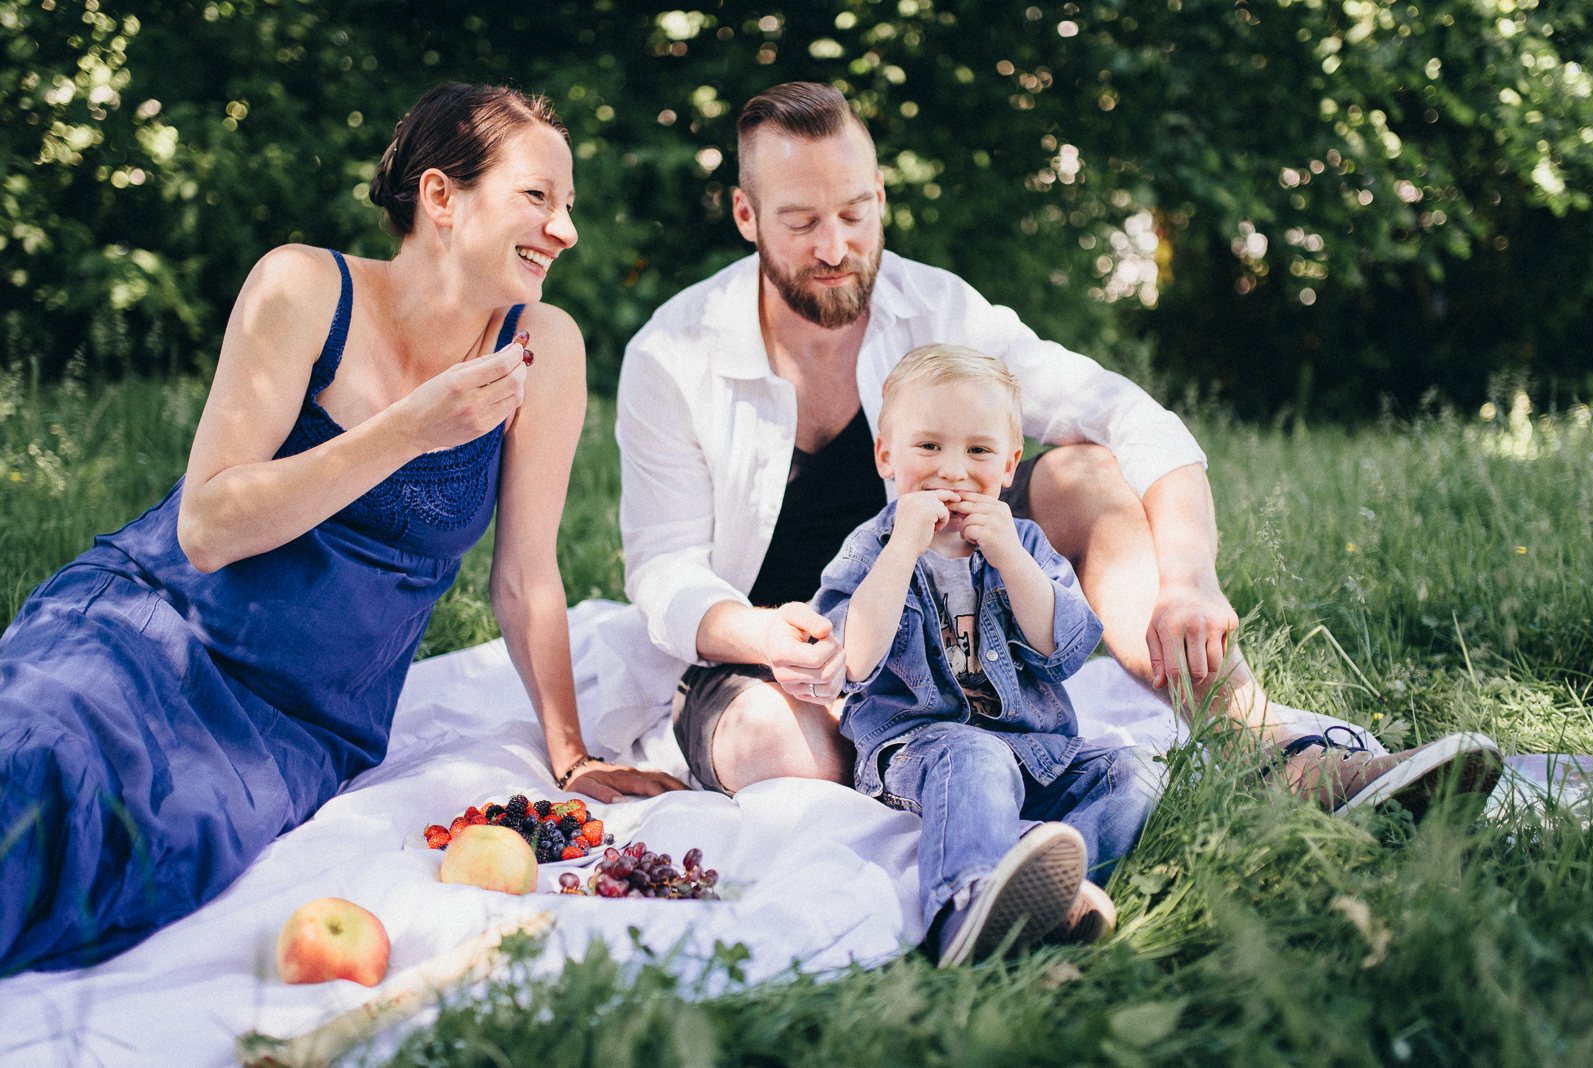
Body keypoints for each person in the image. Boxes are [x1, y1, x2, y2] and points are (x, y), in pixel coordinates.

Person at [618, 81, 1500, 812]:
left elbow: (1131, 417)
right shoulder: (674, 352)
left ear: (880, 197)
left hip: (949, 641)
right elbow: (662, 569)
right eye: (802, 222)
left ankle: (1258, 741)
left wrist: (1189, 579)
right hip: (779, 654)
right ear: (746, 214)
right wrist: (763, 636)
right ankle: (954, 807)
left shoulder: (938, 310)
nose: (837, 247)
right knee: (791, 758)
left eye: (855, 212)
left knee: (1084, 470)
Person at [0, 83, 680, 975]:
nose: (566, 229)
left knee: (134, 842)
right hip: (149, 624)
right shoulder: (304, 287)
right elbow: (205, 527)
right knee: (34, 750)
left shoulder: (541, 348)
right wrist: (407, 431)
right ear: (441, 196)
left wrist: (570, 754)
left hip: (295, 718)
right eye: (537, 198)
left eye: (569, 206)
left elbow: (525, 577)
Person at [814, 344, 1158, 965]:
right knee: (974, 754)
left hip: (1035, 748)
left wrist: (1013, 562)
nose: (952, 470)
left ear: (1008, 465)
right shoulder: (871, 549)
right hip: (926, 751)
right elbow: (851, 661)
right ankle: (966, 901)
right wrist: (901, 550)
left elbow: (1067, 649)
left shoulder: (1023, 542)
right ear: (886, 455)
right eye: (928, 447)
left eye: (977, 451)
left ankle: (1059, 891)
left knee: (1131, 771)